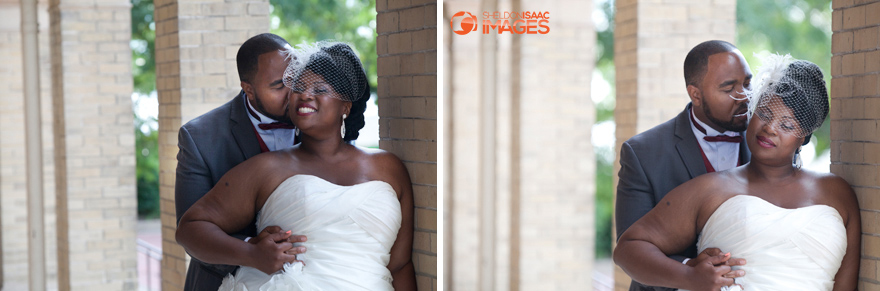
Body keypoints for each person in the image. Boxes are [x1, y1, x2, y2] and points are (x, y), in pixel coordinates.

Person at [176, 41, 417, 290]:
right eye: (298, 87)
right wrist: (251, 251)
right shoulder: (265, 168)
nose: (305, 94)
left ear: (346, 106)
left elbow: (400, 265)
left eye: (320, 88)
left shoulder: (389, 167)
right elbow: (189, 228)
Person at [614, 55, 861, 290]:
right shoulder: (711, 189)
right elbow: (628, 249)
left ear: (803, 138)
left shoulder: (837, 193)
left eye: (786, 125)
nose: (770, 128)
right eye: (763, 114)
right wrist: (689, 274)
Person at [615, 40, 752, 291]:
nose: (744, 95)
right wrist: (689, 269)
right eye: (728, 88)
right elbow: (629, 250)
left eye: (747, 83)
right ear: (695, 94)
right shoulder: (642, 153)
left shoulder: (769, 140)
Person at [175, 33, 305, 290]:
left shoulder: (315, 116)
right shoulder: (200, 137)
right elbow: (190, 232)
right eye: (279, 86)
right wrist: (250, 249)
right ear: (249, 89)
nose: (292, 94)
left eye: (295, 80)